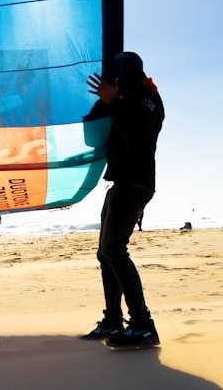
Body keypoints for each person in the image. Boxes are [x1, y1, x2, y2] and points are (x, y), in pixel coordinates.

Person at [81, 52, 164, 349]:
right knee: (106, 254)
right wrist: (106, 100)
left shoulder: (147, 98)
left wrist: (114, 101)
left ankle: (143, 324)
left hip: (136, 182)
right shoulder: (124, 99)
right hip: (120, 183)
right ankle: (113, 320)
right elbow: (92, 134)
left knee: (114, 250)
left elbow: (139, 134)